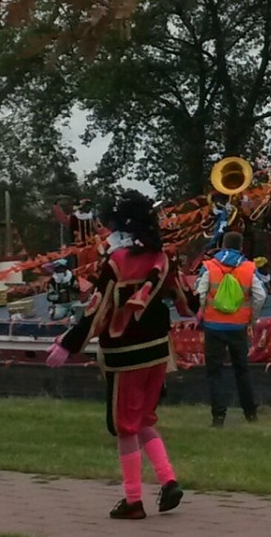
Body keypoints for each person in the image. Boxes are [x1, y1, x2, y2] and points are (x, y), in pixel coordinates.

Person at [45, 190, 197, 520]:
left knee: (125, 427)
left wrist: (68, 343)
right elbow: (187, 305)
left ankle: (133, 500)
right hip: (158, 352)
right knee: (142, 418)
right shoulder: (164, 258)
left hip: (125, 354)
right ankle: (168, 480)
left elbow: (97, 311)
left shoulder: (117, 262)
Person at [196, 231, 265, 428]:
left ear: (222, 245)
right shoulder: (249, 268)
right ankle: (250, 412)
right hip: (238, 327)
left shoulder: (209, 266)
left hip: (213, 326)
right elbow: (260, 295)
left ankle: (218, 416)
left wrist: (202, 312)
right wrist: (252, 317)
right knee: (242, 370)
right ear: (241, 247)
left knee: (215, 372)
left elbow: (200, 293)